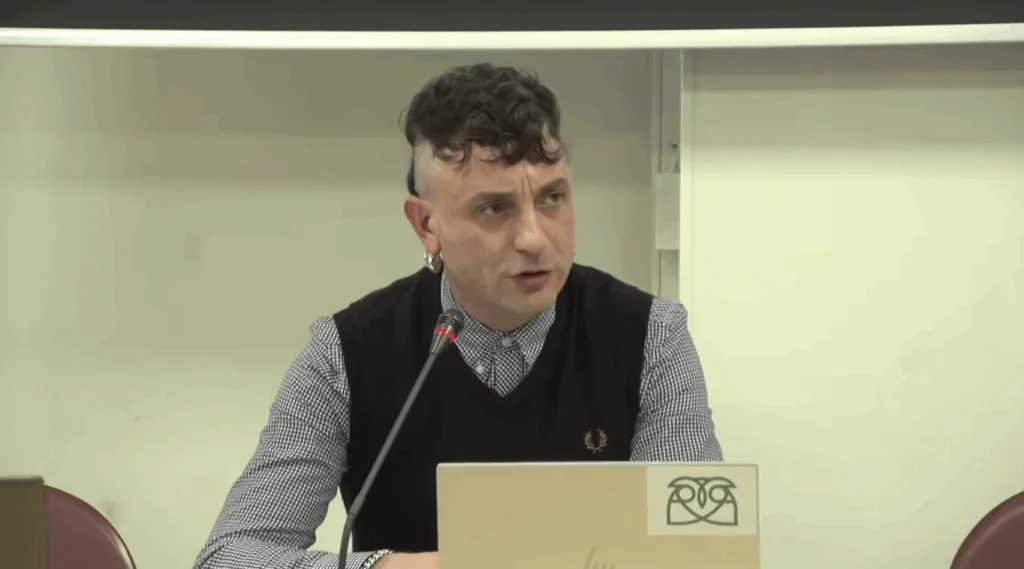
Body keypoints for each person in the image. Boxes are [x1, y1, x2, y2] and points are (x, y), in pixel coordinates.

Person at [192, 63, 723, 569]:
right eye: (495, 208)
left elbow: (696, 551)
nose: (534, 239)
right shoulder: (346, 353)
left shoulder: (651, 337)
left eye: (552, 198)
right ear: (427, 226)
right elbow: (230, 556)